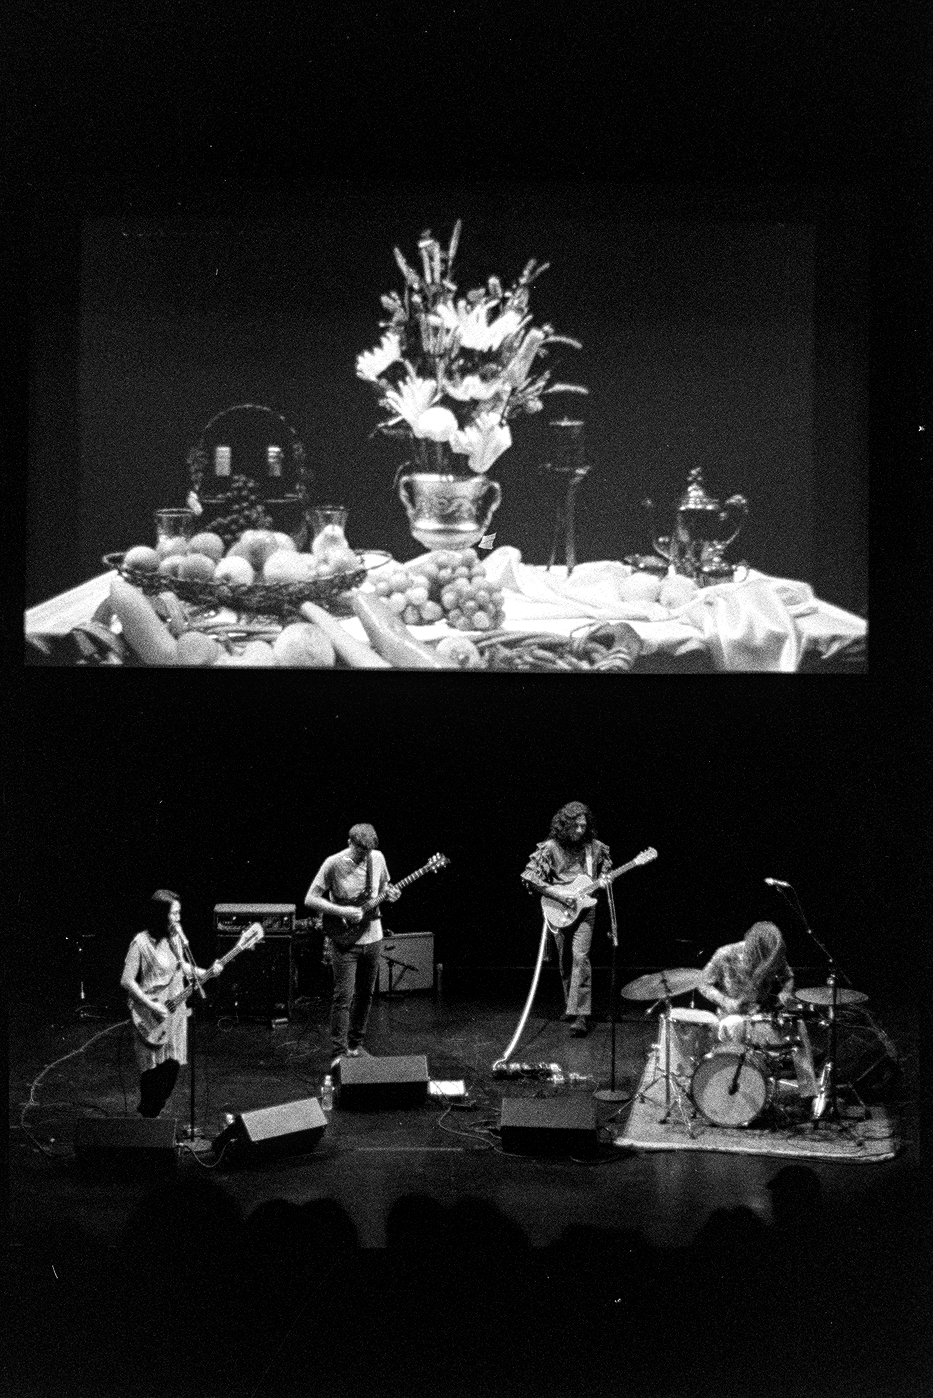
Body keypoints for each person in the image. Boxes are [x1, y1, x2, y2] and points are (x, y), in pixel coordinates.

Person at [303, 823, 400, 1066]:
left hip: (373, 937)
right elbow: (310, 899)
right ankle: (338, 1053)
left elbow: (385, 887)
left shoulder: (377, 858)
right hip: (345, 940)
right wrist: (342, 910)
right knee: (344, 996)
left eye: (366, 853)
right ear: (350, 842)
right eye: (359, 852)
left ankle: (355, 1046)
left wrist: (392, 894)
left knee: (365, 996)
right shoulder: (333, 863)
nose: (363, 857)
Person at [121, 889, 222, 1118]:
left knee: (172, 1067)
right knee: (153, 1071)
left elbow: (182, 967)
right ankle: (149, 1118)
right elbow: (127, 981)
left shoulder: (175, 938)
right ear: (160, 914)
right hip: (151, 1012)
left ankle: (153, 1115)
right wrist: (151, 1004)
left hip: (175, 1011)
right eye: (173, 913)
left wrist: (206, 972)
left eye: (179, 913)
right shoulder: (140, 943)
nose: (178, 918)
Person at [520, 801, 612, 1036]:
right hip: (558, 909)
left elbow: (604, 874)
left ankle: (581, 1015)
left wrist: (604, 880)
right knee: (565, 960)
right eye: (575, 826)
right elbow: (529, 877)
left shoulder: (595, 848)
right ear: (564, 826)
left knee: (581, 957)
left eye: (583, 826)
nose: (580, 831)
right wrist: (558, 893)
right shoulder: (550, 848)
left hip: (586, 909)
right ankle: (571, 1007)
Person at [698, 920, 817, 1099]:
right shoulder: (725, 954)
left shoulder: (774, 955)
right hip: (732, 1016)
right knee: (735, 1026)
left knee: (797, 1031)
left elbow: (788, 977)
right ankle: (743, 1089)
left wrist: (785, 991)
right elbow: (702, 983)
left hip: (762, 1014)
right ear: (755, 949)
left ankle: (809, 1093)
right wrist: (726, 1001)